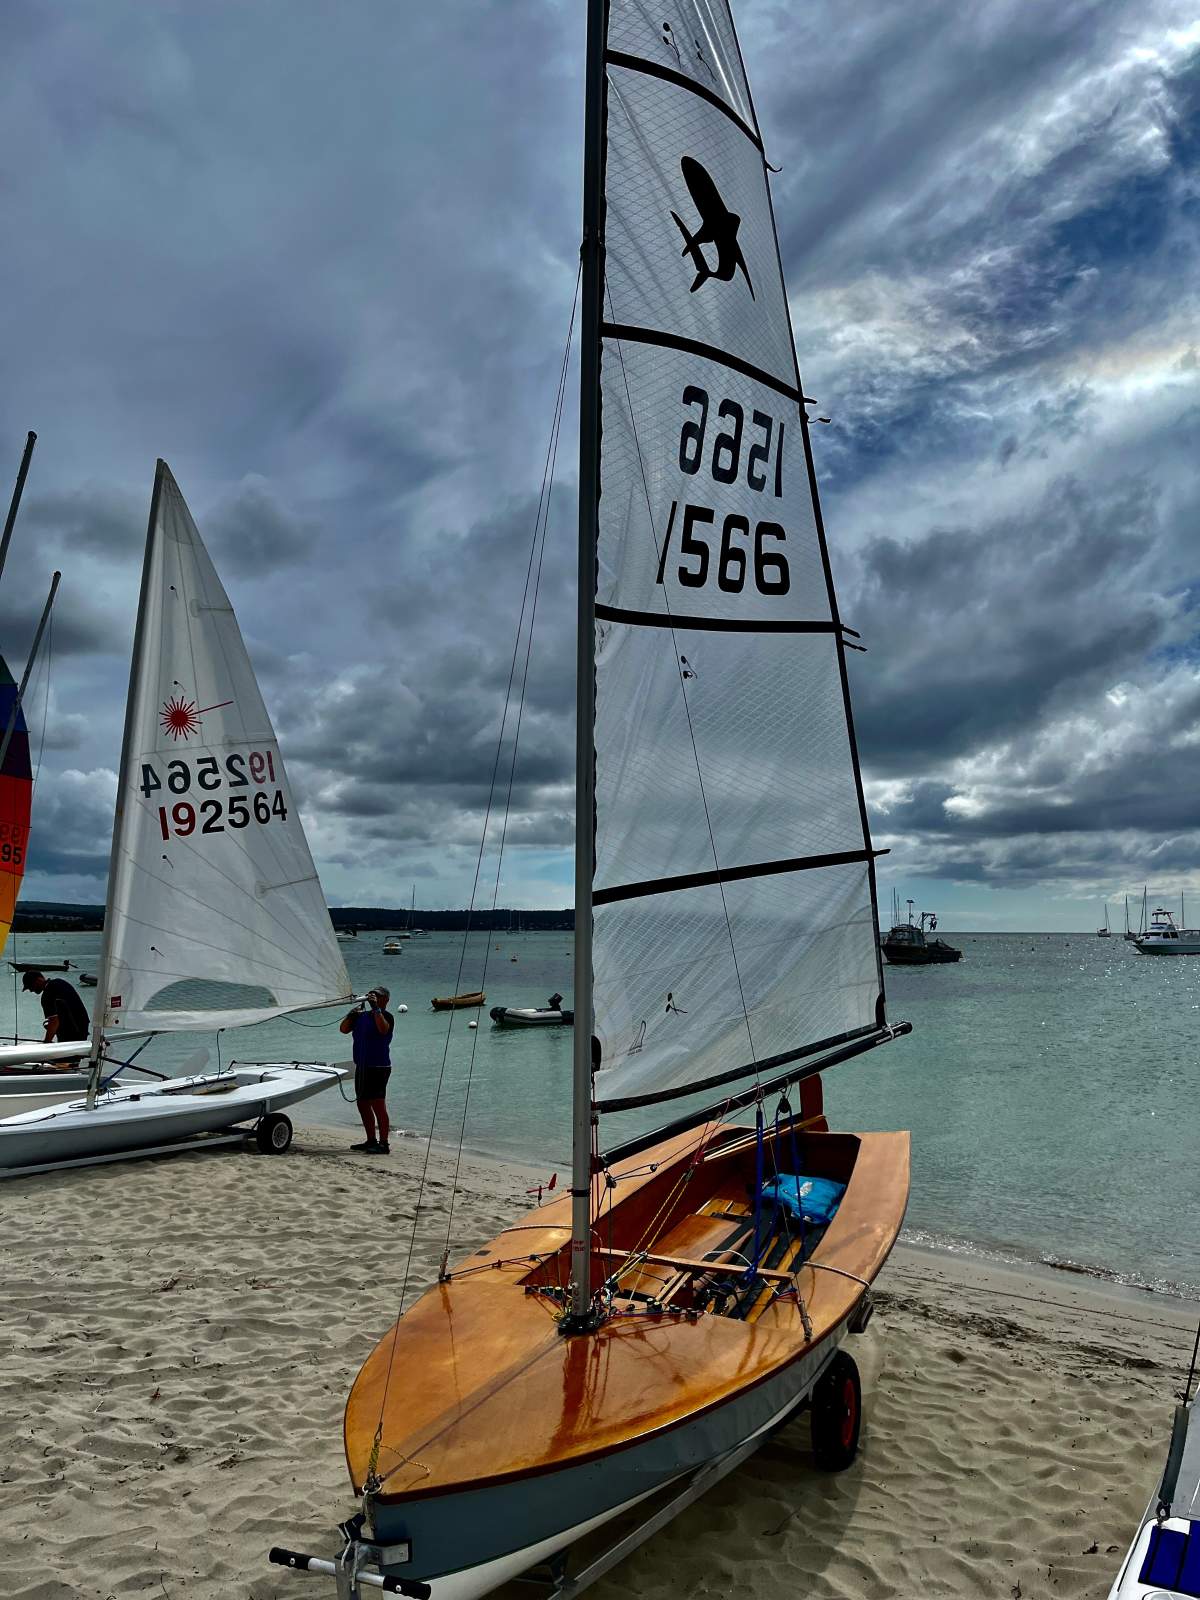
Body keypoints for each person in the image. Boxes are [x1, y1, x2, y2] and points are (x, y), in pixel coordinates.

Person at [339, 984, 395, 1155]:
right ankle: (371, 1139)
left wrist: (376, 1008)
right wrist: (351, 1014)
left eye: (378, 996)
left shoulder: (386, 1016)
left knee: (378, 1105)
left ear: (386, 999)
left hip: (379, 1067)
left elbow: (383, 1029)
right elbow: (343, 1029)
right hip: (362, 1066)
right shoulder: (361, 1017)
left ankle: (384, 1143)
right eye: (372, 995)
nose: (374, 997)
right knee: (362, 1104)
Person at [22, 969, 90, 1067]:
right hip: (81, 1029)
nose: (31, 990)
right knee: (72, 1063)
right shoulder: (60, 982)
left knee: (62, 1065)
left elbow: (54, 1022)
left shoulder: (47, 995)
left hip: (71, 1035)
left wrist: (46, 1044)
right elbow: (66, 1010)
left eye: (30, 986)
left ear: (39, 980)